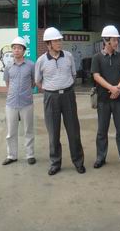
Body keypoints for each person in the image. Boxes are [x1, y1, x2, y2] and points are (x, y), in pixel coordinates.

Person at [35, 27, 85, 176]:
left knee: (73, 131)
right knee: (53, 132)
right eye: (55, 41)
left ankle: (78, 162)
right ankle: (55, 163)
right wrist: (50, 90)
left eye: (59, 40)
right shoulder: (41, 61)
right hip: (51, 98)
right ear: (48, 44)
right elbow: (38, 81)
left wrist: (64, 86)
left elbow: (73, 75)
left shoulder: (68, 56)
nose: (59, 43)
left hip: (68, 96)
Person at [91, 25, 120, 169]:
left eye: (117, 40)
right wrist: (111, 88)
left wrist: (118, 88)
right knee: (102, 131)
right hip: (103, 100)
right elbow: (96, 76)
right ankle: (100, 157)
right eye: (114, 40)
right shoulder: (97, 58)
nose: (116, 42)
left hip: (119, 99)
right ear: (106, 41)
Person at [2, 37, 36, 166]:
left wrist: (25, 92)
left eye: (19, 48)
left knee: (28, 130)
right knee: (11, 131)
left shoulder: (31, 65)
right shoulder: (8, 66)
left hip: (26, 102)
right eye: (14, 48)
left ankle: (30, 155)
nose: (16, 50)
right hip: (11, 103)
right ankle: (12, 155)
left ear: (24, 50)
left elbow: (33, 82)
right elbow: (7, 83)